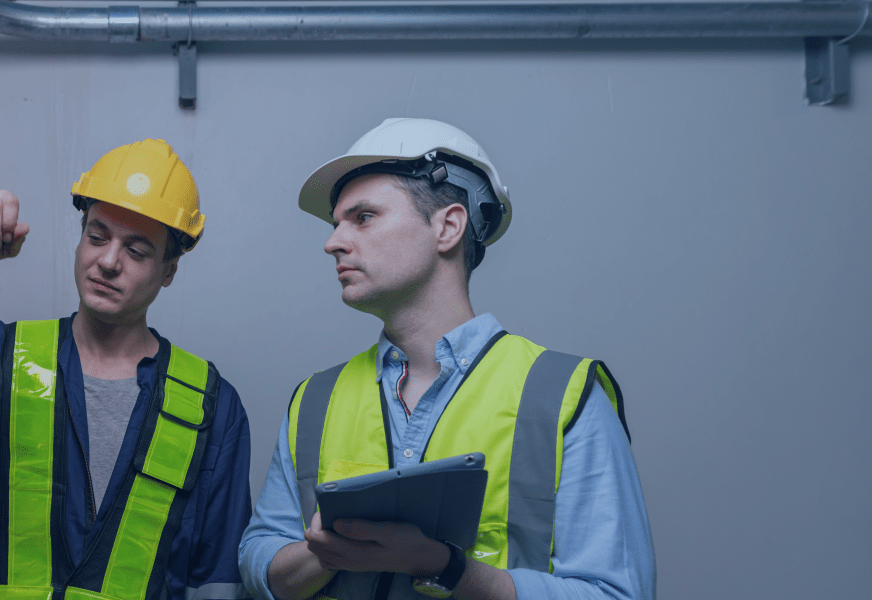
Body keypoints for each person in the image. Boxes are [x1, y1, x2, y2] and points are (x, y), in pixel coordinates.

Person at [238, 118, 655, 600]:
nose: (333, 242)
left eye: (364, 217)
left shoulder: (562, 396)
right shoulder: (315, 400)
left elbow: (618, 594)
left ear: (448, 227)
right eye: (337, 224)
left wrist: (443, 565)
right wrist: (330, 549)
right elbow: (258, 555)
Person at [0, 138, 253, 600]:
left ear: (169, 271)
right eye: (97, 236)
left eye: (138, 251)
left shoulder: (212, 405)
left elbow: (218, 583)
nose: (107, 262)